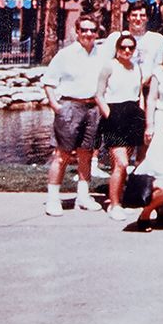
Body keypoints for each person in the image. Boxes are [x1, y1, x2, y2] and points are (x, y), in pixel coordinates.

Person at [42, 15, 106, 216]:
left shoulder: (101, 54)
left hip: (92, 108)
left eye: (92, 30)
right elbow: (49, 82)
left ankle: (83, 197)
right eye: (84, 30)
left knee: (86, 154)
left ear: (97, 33)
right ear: (77, 31)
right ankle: (53, 199)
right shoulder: (65, 54)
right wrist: (56, 106)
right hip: (70, 106)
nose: (88, 34)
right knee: (62, 155)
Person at [94, 32, 145, 219]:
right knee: (121, 163)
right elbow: (98, 94)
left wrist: (142, 114)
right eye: (123, 47)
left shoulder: (136, 67)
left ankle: (119, 200)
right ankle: (114, 205)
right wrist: (109, 115)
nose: (127, 50)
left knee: (123, 163)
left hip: (133, 115)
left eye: (130, 47)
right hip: (114, 115)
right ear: (117, 48)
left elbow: (140, 94)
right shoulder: (109, 66)